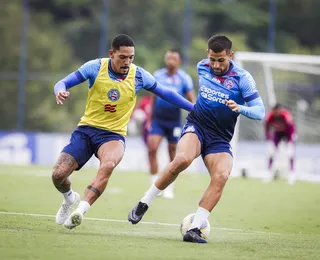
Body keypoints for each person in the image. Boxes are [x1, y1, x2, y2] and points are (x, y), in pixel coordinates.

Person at [128, 35, 265, 243]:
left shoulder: (242, 78)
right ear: (207, 55)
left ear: (231, 55)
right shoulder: (202, 67)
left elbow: (260, 111)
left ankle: (193, 228)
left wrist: (241, 108)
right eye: (212, 59)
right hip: (197, 126)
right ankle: (145, 202)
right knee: (182, 159)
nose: (216, 65)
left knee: (222, 175)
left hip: (220, 138)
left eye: (221, 60)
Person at [52, 34, 194, 230]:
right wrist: (59, 90)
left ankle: (80, 211)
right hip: (86, 130)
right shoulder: (95, 67)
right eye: (123, 57)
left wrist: (194, 109)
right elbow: (62, 83)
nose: (127, 62)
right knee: (58, 175)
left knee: (108, 165)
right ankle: (69, 199)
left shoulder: (139, 75)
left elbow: (167, 94)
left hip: (113, 135)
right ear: (112, 53)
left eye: (131, 57)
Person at [147, 49, 196, 199]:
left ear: (179, 61)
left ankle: (168, 188)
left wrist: (195, 116)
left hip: (174, 121)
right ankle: (154, 186)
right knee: (152, 148)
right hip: (158, 119)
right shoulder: (158, 75)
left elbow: (191, 99)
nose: (170, 61)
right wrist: (149, 117)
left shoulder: (184, 78)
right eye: (168, 58)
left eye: (174, 58)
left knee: (173, 154)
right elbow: (153, 97)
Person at [264, 103, 297, 184]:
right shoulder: (270, 116)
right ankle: (269, 174)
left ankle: (291, 175)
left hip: (288, 134)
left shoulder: (286, 116)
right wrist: (268, 137)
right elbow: (266, 127)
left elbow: (291, 128)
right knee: (271, 153)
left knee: (290, 153)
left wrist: (291, 139)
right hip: (277, 134)